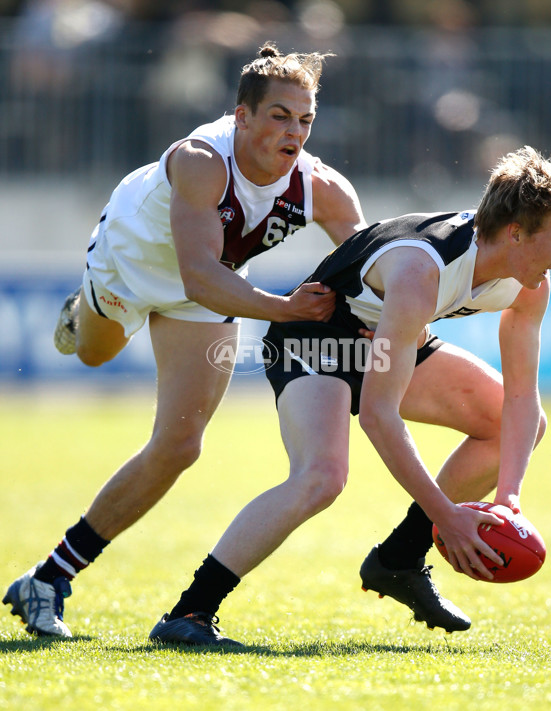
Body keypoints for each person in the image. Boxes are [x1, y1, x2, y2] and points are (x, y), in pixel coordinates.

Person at [149, 146, 551, 647]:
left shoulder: (531, 282)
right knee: (321, 477)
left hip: (386, 338)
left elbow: (520, 397)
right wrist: (447, 516)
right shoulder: (419, 271)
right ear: (516, 232)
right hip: (316, 341)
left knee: (520, 425)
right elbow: (379, 417)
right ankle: (189, 613)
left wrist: (507, 498)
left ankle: (399, 560)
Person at [2, 43, 367, 639]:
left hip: (208, 291)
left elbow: (370, 263)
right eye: (279, 115)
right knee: (96, 353)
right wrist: (286, 309)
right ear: (242, 116)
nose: (293, 132)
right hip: (132, 264)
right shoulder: (201, 161)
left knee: (179, 446)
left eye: (305, 120)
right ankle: (83, 309)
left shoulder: (323, 187)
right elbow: (200, 272)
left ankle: (48, 579)